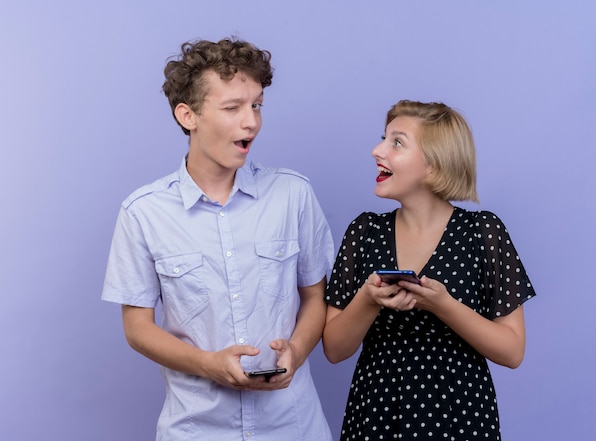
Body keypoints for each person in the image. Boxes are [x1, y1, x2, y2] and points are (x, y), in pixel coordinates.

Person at [102, 38, 334, 441]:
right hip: (195, 429)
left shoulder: (293, 194)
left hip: (293, 426)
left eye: (257, 105)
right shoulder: (142, 212)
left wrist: (296, 350)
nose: (252, 122)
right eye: (233, 108)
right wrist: (208, 364)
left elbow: (316, 297)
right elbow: (138, 327)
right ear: (188, 115)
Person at [322, 100, 536, 440]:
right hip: (376, 411)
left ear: (434, 165)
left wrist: (443, 305)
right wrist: (368, 298)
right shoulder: (363, 232)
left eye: (397, 142)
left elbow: (512, 351)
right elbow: (334, 349)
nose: (377, 150)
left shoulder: (483, 233)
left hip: (461, 415)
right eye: (383, 138)